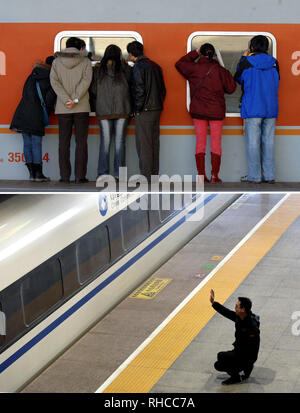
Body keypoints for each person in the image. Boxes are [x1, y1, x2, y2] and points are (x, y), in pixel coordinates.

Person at [175, 44, 236, 183]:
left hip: (198, 112)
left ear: (201, 54)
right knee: (216, 144)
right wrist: (223, 68)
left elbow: (179, 64)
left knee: (200, 143)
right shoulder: (220, 70)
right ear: (214, 55)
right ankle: (215, 175)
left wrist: (194, 53)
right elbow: (231, 88)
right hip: (216, 112)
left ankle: (201, 176)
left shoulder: (193, 68)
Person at [234, 35, 280, 184]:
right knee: (269, 142)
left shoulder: (247, 62)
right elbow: (277, 80)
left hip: (253, 107)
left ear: (252, 46)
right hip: (271, 107)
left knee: (253, 143)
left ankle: (254, 176)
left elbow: (238, 78)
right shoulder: (274, 63)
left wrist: (243, 58)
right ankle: (269, 175)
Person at [50, 37, 93, 183]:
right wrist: (74, 99)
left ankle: (64, 176)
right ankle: (80, 176)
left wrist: (65, 99)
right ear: (80, 48)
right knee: (81, 142)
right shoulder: (86, 62)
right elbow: (86, 81)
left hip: (63, 108)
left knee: (63, 143)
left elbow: (54, 82)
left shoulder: (56, 62)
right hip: (81, 107)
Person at [10, 56, 56, 181]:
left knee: (27, 143)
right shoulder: (49, 79)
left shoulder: (31, 76)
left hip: (22, 113)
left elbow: (25, 94)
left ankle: (31, 174)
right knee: (36, 143)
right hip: (36, 114)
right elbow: (49, 100)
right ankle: (39, 175)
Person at [90, 44, 131, 182]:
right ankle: (119, 175)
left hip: (103, 110)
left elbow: (93, 90)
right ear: (119, 55)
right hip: (122, 110)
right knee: (120, 142)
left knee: (105, 143)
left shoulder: (98, 70)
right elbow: (132, 86)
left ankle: (102, 174)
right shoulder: (125, 69)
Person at [127, 41, 166, 182]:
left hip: (144, 110)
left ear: (131, 54)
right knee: (154, 144)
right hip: (157, 109)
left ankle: (145, 177)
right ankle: (154, 176)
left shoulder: (138, 67)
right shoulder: (156, 66)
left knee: (144, 145)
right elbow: (163, 90)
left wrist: (136, 109)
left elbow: (139, 91)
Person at [210, 289, 260, 385]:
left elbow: (255, 344)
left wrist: (250, 361)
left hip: (246, 355)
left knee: (220, 359)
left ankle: (236, 377)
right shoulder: (240, 317)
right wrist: (214, 303)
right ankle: (246, 368)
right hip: (240, 351)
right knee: (219, 363)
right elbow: (227, 312)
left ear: (243, 310)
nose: (235, 308)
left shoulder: (251, 327)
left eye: (237, 306)